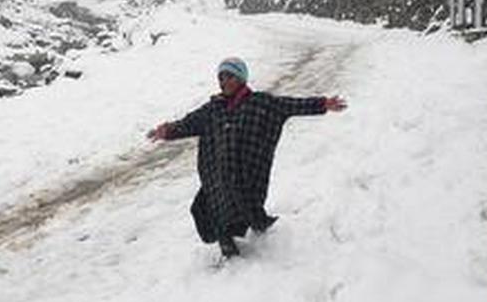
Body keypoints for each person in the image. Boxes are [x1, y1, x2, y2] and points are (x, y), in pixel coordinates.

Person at [147, 57, 347, 257]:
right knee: (203, 209)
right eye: (221, 77)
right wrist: (168, 131)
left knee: (237, 213)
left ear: (241, 78)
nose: (223, 81)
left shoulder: (261, 103)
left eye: (229, 76)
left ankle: (237, 255)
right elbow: (188, 123)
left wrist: (322, 104)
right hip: (217, 178)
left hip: (247, 178)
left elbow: (291, 105)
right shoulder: (213, 109)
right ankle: (237, 239)